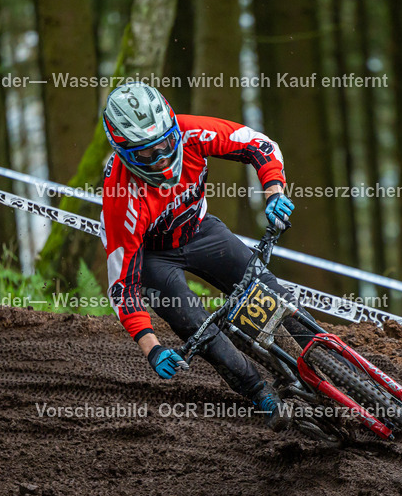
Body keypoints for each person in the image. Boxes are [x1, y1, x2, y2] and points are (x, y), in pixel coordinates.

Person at [99, 82, 297, 430]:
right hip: (153, 258)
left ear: (174, 127)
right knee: (196, 324)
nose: (161, 157)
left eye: (165, 143)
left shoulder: (192, 131)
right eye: (146, 153)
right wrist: (153, 348)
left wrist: (273, 191)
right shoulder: (121, 199)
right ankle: (259, 393)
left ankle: (319, 351)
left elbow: (259, 145)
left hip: (199, 230)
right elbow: (123, 289)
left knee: (269, 291)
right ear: (123, 151)